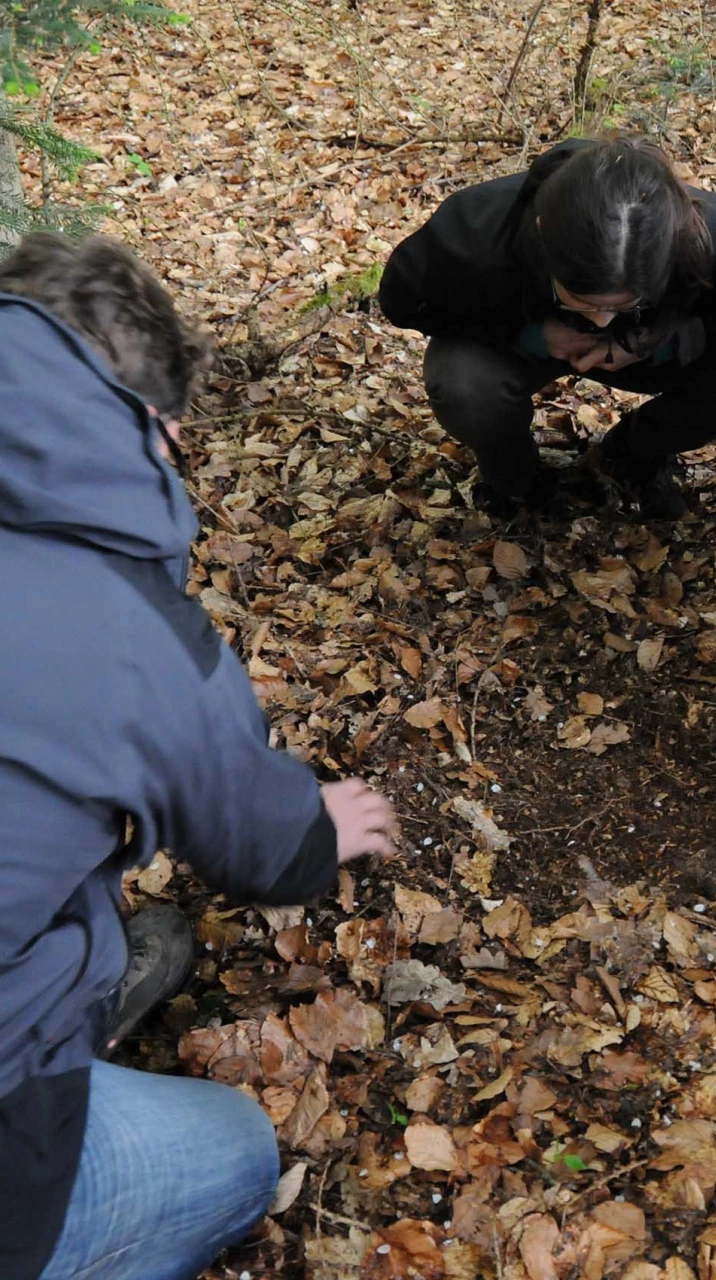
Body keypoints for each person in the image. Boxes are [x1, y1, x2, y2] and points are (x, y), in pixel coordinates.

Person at [0, 234, 398, 1280]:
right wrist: (320, 830)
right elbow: (260, 844)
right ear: (152, 424)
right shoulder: (126, 630)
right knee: (235, 1151)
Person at [379, 136, 716, 520]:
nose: (600, 321)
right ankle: (516, 480)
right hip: (523, 345)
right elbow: (403, 302)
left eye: (623, 303)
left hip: (659, 350)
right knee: (462, 380)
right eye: (580, 301)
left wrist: (660, 335)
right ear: (543, 234)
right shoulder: (475, 230)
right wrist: (533, 333)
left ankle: (634, 453)